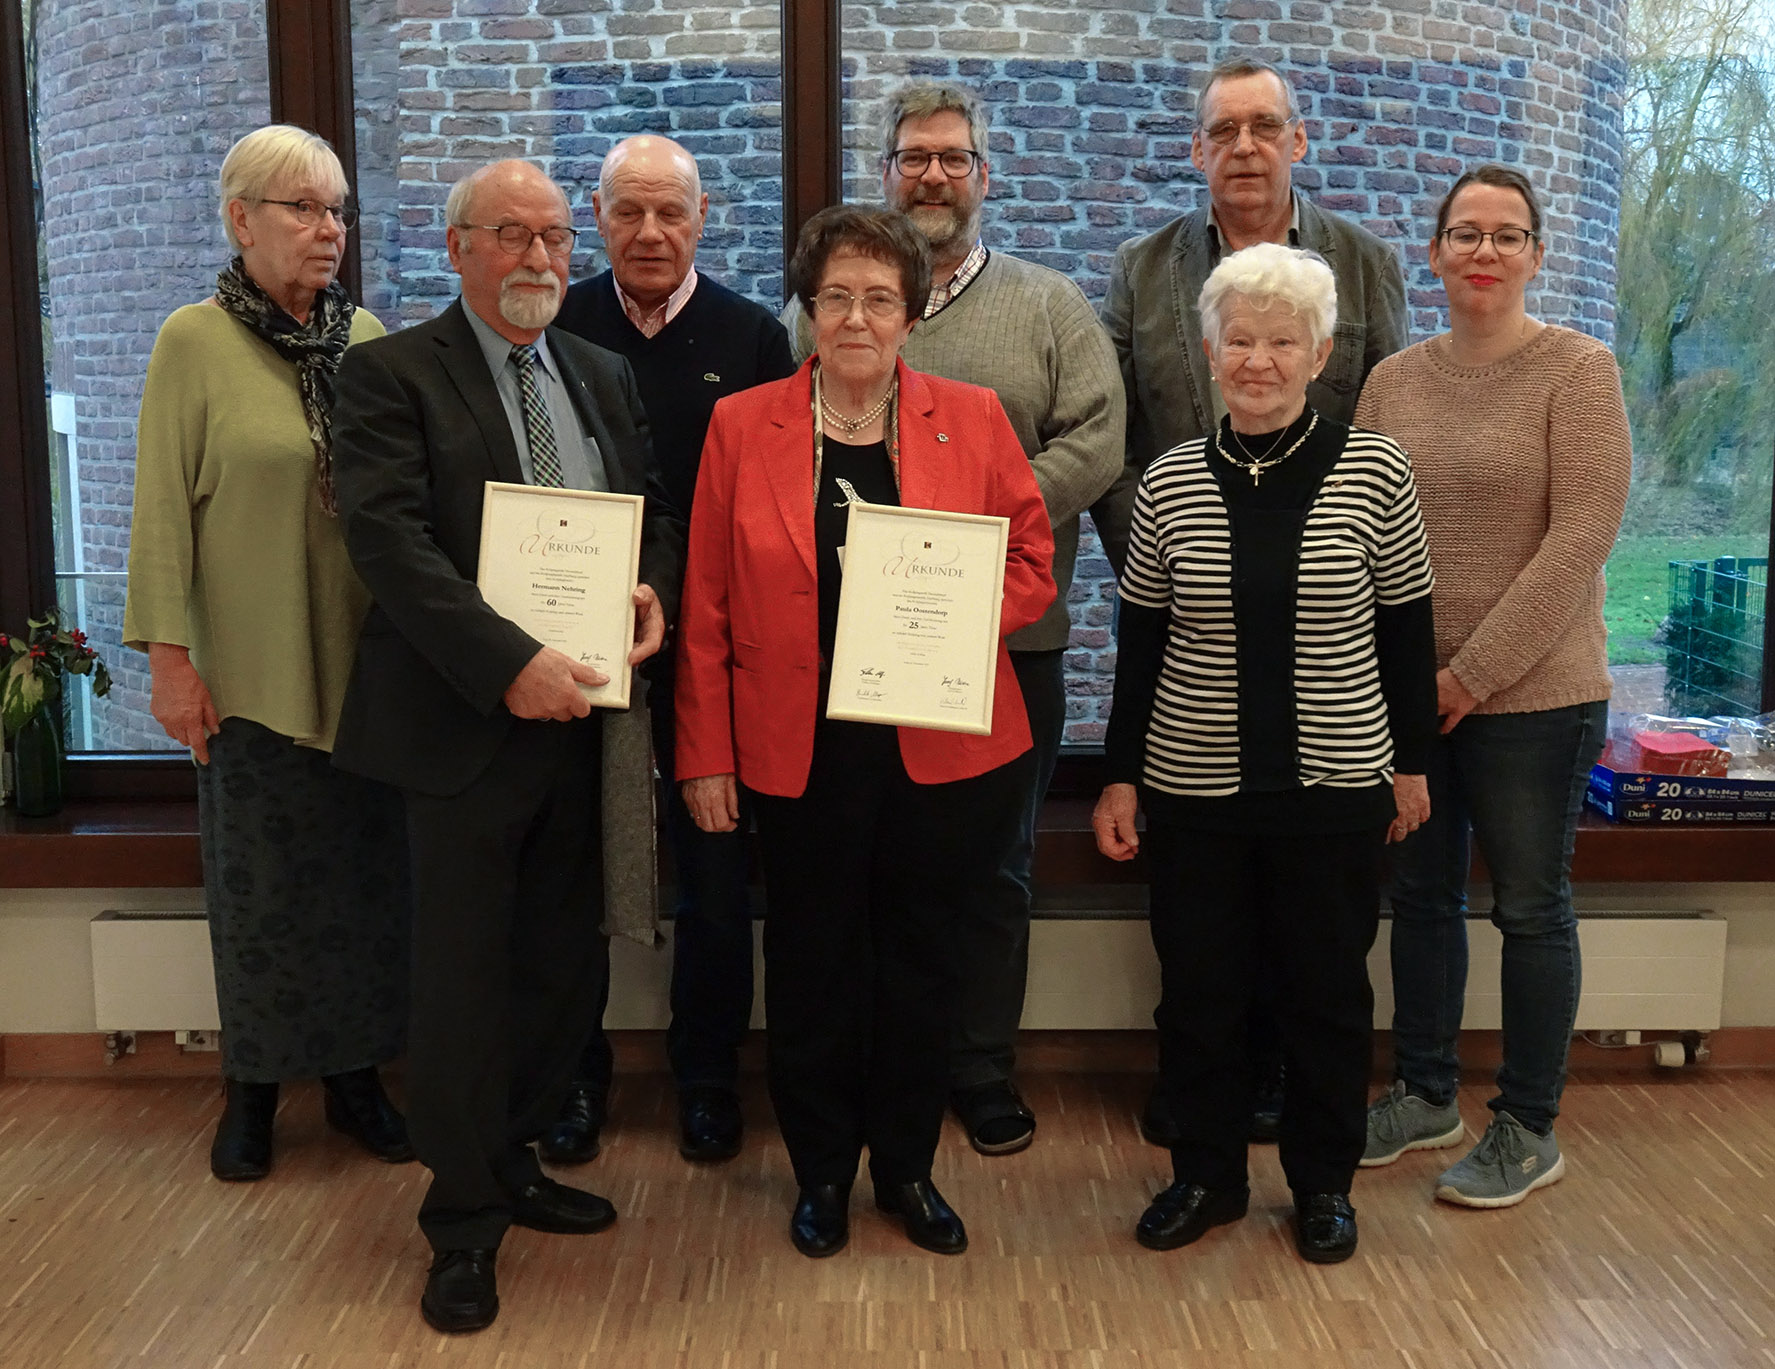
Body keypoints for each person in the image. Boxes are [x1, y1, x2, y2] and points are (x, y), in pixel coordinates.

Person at [329, 160, 685, 1334]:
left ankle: (518, 1158)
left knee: (556, 974)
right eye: (512, 237)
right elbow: (388, 544)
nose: (539, 258)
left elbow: (647, 515)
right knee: (463, 985)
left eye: (553, 237)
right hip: (463, 732)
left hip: (586, 730)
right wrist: (507, 664)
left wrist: (647, 592)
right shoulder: (388, 376)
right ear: (457, 248)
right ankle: (461, 1221)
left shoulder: (599, 372)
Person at [677, 206, 1055, 1258]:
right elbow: (705, 602)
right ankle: (821, 1177)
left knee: (923, 967)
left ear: (913, 310)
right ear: (807, 307)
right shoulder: (741, 426)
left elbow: (1032, 564)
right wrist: (704, 752)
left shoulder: (971, 418)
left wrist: (947, 610)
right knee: (810, 969)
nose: (855, 317)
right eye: (836, 295)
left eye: (878, 297)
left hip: (938, 747)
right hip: (799, 751)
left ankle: (905, 1169)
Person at [783, 81, 1124, 1157]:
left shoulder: (1048, 306)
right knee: (863, 868)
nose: (933, 174)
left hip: (1003, 643)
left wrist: (969, 521)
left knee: (988, 868)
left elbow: (1099, 438)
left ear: (985, 176)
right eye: (912, 157)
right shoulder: (834, 303)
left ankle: (976, 1068)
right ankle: (878, 1073)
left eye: (953, 157)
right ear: (885, 173)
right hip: (841, 652)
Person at [1092, 242, 1436, 1264]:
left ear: (1318, 352)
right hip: (1193, 788)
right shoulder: (1165, 482)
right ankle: (1203, 1175)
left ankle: (1322, 1186)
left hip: (1334, 785)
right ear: (1208, 351)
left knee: (1324, 996)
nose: (1257, 358)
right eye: (1237, 338)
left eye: (1280, 340)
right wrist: (1118, 774)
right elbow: (1140, 643)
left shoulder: (1375, 470)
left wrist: (1409, 762)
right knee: (1198, 992)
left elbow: (1407, 628)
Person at [123, 123, 411, 1185]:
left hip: (363, 671)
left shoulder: (367, 336)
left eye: (336, 208)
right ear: (240, 219)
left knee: (364, 888)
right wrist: (168, 663)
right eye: (301, 208)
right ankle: (250, 1091)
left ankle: (355, 1086)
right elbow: (160, 515)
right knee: (262, 895)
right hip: (246, 678)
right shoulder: (192, 341)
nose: (325, 229)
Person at [1354, 164, 1631, 1209]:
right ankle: (1424, 1092)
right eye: (1463, 234)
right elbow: (1371, 533)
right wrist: (1404, 680)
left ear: (1535, 255)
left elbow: (1578, 541)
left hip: (1535, 700)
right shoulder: (1392, 380)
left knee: (1528, 907)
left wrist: (1469, 673)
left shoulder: (1577, 370)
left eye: (1505, 235)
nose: (1483, 252)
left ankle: (1526, 1123)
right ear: (1431, 253)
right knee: (1418, 897)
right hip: (1413, 696)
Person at [545, 134, 796, 1167]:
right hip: (574, 645)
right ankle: (571, 1077)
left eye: (670, 212)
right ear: (595, 218)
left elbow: (774, 495)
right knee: (568, 870)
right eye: (626, 212)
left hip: (712, 649)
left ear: (704, 218)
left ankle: (705, 1076)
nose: (649, 232)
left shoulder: (751, 337)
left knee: (712, 869)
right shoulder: (553, 326)